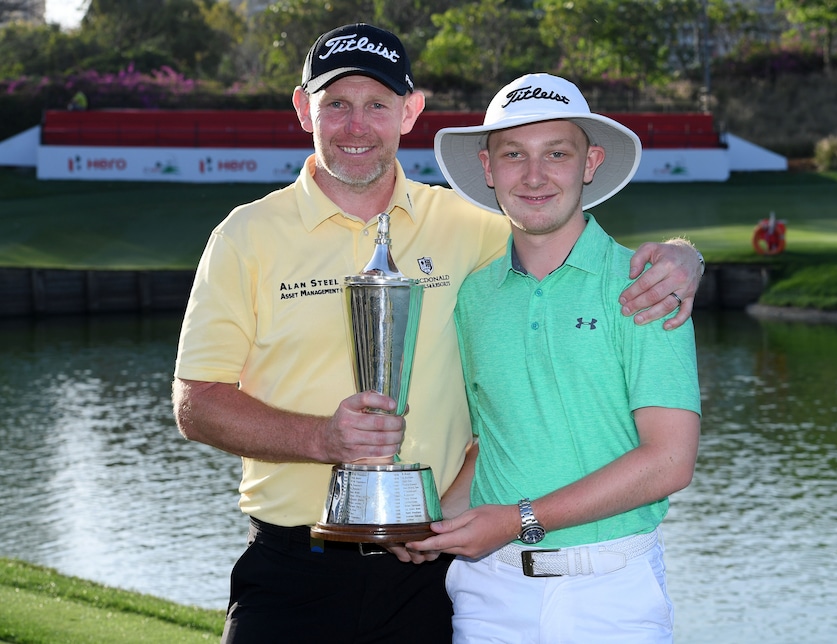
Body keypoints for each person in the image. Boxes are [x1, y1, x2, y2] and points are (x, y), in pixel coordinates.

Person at [172, 24, 703, 643]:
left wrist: (683, 256)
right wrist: (324, 438)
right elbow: (196, 403)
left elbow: (554, 228)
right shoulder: (244, 236)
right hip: (295, 568)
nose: (356, 126)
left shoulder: (468, 227)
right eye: (335, 104)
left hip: (429, 570)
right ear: (301, 108)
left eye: (377, 105)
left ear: (410, 111)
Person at [408, 73, 702, 642]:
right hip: (486, 593)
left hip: (611, 593)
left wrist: (519, 519)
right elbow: (494, 443)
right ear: (489, 169)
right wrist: (435, 525)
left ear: (589, 162)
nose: (535, 175)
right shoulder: (474, 297)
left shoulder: (647, 283)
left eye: (557, 153)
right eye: (514, 154)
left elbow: (670, 461)